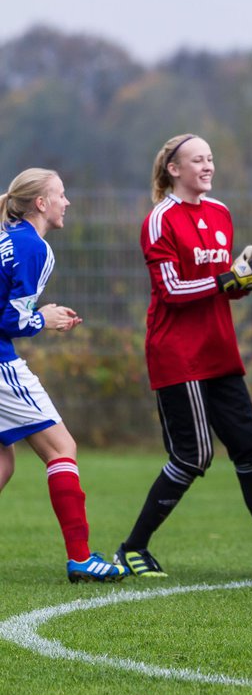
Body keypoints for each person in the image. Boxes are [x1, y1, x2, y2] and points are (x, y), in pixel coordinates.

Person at [116, 134, 252, 578]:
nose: (208, 166)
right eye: (198, 160)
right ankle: (132, 548)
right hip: (177, 353)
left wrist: (245, 282)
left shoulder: (221, 213)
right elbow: (172, 291)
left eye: (210, 159)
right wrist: (226, 280)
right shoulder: (160, 220)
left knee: (251, 450)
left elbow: (219, 287)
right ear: (174, 169)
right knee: (193, 456)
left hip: (218, 350)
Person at [0, 169, 126, 582]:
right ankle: (81, 558)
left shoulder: (7, 239)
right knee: (62, 448)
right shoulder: (33, 247)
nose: (67, 202)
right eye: (61, 194)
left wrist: (39, 315)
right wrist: (44, 319)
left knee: (3, 461)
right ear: (41, 203)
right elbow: (13, 319)